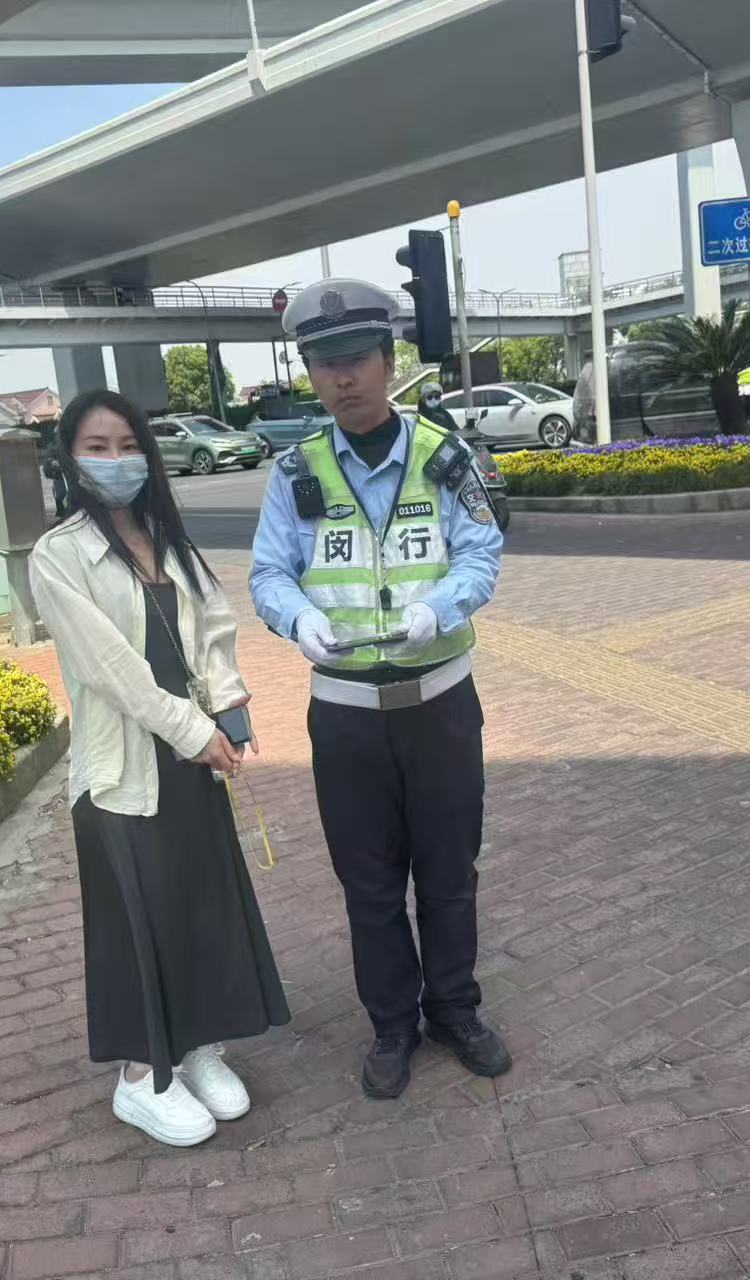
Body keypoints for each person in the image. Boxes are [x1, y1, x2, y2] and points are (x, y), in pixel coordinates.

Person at [250, 278, 509, 1100]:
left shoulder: (443, 457)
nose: (342, 377)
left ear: (387, 362)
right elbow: (268, 572)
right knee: (368, 883)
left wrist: (442, 607)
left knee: (448, 872)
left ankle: (455, 1011)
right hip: (347, 716)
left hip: (440, 704)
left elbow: (481, 553)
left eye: (356, 358)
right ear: (310, 374)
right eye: (323, 363)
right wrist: (296, 619)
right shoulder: (296, 471)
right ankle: (392, 1026)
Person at [29, 388, 289, 1148]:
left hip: (190, 757)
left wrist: (229, 707)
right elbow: (108, 666)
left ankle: (198, 1044)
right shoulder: (60, 554)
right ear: (70, 459)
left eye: (127, 445)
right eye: (96, 447)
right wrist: (191, 730)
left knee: (198, 903)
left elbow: (211, 629)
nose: (115, 461)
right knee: (136, 918)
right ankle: (141, 1077)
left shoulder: (165, 537)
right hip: (123, 769)